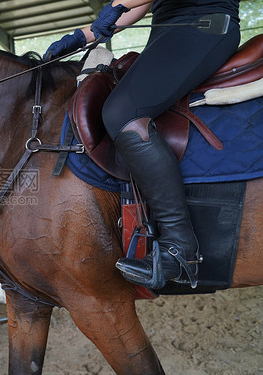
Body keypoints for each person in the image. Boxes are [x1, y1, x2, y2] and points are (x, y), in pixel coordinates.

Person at [45, 0, 240, 289]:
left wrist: (118, 4)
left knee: (122, 112)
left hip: (203, 24)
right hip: (168, 29)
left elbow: (128, 2)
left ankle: (180, 247)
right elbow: (138, 6)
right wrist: (85, 35)